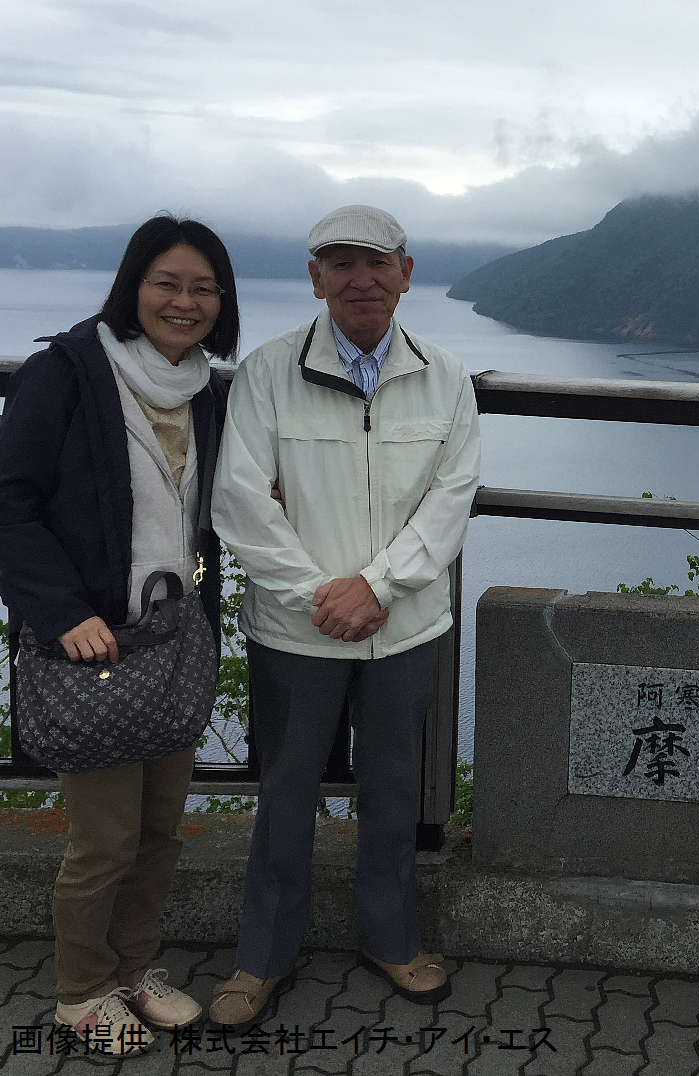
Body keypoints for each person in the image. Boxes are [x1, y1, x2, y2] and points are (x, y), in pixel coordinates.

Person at [208, 205, 482, 1028]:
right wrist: (321, 597)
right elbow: (240, 501)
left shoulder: (445, 376)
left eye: (378, 262)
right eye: (341, 263)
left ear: (406, 272)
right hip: (299, 630)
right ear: (316, 278)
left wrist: (379, 587)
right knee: (286, 791)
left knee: (393, 790)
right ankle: (263, 956)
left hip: (404, 628)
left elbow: (450, 500)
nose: (360, 278)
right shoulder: (265, 373)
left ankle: (392, 937)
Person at [0, 215, 237, 1047]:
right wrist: (63, 612)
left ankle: (135, 969)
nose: (185, 301)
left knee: (160, 830)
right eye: (167, 283)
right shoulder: (65, 372)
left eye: (203, 287)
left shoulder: (208, 389)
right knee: (102, 839)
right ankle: (80, 990)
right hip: (91, 644)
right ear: (133, 287)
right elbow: (9, 501)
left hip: (170, 642)